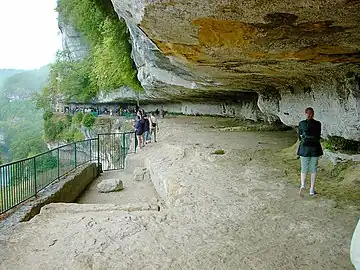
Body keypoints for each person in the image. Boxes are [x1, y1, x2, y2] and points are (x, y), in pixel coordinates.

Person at [297, 107, 323, 196]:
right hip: (315, 149)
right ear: (313, 114)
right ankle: (312, 189)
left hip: (304, 149)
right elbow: (319, 135)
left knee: (304, 168)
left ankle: (303, 185)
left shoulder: (301, 123)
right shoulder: (318, 124)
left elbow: (299, 137)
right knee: (313, 169)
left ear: (305, 113)